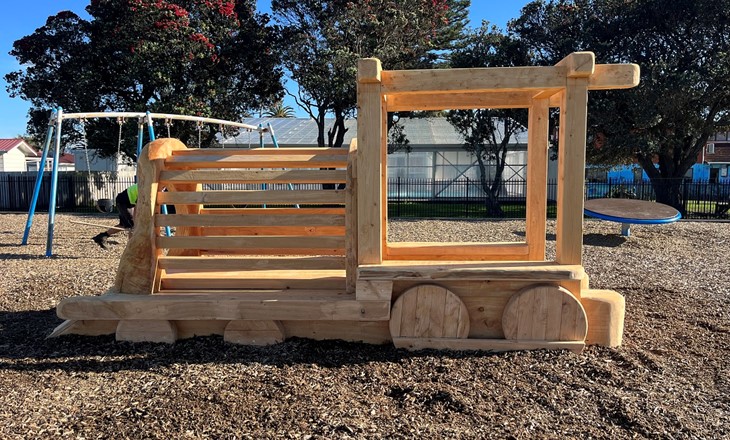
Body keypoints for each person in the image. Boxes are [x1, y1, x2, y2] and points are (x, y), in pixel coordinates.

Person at [92, 184, 137, 249]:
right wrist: (134, 220)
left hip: (127, 202)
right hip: (123, 202)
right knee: (132, 226)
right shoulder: (145, 188)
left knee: (123, 225)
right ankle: (132, 247)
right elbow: (138, 206)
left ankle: (101, 236)